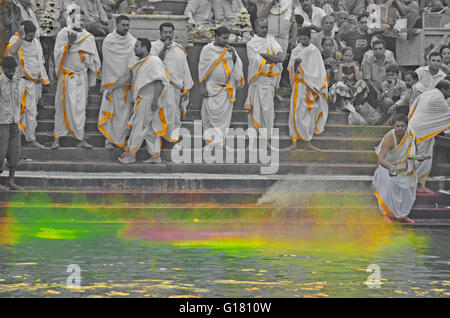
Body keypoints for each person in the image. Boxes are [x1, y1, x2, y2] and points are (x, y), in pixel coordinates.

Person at [105, 38, 169, 164]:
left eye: (137, 46)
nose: (134, 48)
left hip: (149, 100)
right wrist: (111, 89)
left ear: (145, 48)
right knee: (149, 129)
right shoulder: (138, 62)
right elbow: (125, 77)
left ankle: (130, 154)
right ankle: (156, 156)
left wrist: (155, 100)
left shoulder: (153, 61)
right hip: (143, 100)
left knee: (138, 128)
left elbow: (159, 81)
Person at [51, 7, 101, 150]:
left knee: (80, 109)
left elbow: (95, 60)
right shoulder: (64, 33)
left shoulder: (89, 37)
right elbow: (57, 55)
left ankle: (80, 138)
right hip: (67, 76)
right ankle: (57, 138)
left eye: (83, 20)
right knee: (61, 108)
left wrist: (89, 61)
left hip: (81, 78)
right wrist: (69, 44)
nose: (81, 22)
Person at [5, 21, 49, 149]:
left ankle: (30, 138)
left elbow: (39, 60)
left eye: (33, 35)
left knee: (32, 112)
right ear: (24, 33)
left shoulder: (35, 41)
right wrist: (22, 38)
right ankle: (13, 141)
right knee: (17, 111)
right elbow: (12, 51)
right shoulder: (15, 39)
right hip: (19, 82)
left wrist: (42, 79)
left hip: (33, 83)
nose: (32, 37)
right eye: (30, 35)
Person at [150, 22, 194, 151]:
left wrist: (186, 88)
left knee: (173, 116)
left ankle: (171, 140)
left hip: (174, 89)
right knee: (157, 117)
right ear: (160, 33)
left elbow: (185, 69)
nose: (168, 35)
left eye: (170, 32)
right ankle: (157, 143)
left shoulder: (179, 49)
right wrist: (164, 48)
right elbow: (155, 63)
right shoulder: (154, 47)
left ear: (173, 33)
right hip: (159, 88)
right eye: (165, 32)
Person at [199, 26, 244, 149]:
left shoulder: (230, 50)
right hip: (211, 88)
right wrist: (202, 86)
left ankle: (220, 143)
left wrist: (233, 56)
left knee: (224, 119)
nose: (226, 41)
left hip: (226, 89)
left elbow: (237, 66)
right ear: (216, 37)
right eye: (224, 38)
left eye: (227, 38)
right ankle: (210, 143)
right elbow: (202, 69)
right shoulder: (207, 50)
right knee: (209, 116)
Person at [98, 15, 137, 150]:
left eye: (127, 25)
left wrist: (126, 79)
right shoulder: (108, 40)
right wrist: (114, 83)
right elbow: (109, 62)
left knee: (124, 115)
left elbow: (132, 63)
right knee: (109, 111)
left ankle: (121, 139)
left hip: (126, 84)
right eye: (123, 25)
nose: (126, 28)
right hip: (111, 84)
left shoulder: (133, 41)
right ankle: (108, 140)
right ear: (116, 25)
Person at [288, 26, 328, 152]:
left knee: (309, 115)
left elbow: (319, 70)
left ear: (310, 38)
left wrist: (317, 85)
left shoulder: (314, 50)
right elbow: (291, 70)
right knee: (294, 112)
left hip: (311, 87)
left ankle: (307, 142)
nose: (303, 41)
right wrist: (296, 64)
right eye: (301, 38)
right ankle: (294, 142)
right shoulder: (296, 51)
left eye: (305, 38)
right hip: (298, 85)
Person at [373, 113, 417, 223]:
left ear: (406, 126)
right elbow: (381, 160)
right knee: (388, 185)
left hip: (403, 166)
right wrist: (390, 167)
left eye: (402, 126)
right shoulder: (389, 138)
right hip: (387, 166)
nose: (400, 128)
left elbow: (411, 152)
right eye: (398, 126)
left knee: (409, 187)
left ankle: (403, 215)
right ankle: (386, 215)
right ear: (394, 126)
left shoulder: (410, 133)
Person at [245, 18, 284, 139]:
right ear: (255, 28)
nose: (264, 30)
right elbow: (255, 61)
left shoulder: (271, 40)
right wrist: (271, 58)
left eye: (266, 27)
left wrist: (263, 56)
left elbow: (280, 58)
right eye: (261, 27)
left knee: (268, 112)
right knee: (254, 112)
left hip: (269, 82)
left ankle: (265, 139)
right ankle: (252, 140)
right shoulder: (251, 44)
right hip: (257, 81)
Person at [408, 80, 450, 193]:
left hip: (415, 127)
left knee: (418, 157)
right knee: (423, 158)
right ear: (444, 90)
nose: (449, 94)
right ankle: (417, 186)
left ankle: (418, 184)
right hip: (423, 131)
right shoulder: (438, 99)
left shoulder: (426, 93)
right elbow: (448, 114)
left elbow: (413, 107)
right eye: (449, 91)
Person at [0, 56, 23, 190]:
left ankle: (11, 181)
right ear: (4, 68)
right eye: (9, 69)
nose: (12, 72)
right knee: (0, 152)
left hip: (15, 121)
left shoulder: (16, 81)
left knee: (14, 151)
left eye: (13, 69)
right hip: (2, 121)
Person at [361, 38, 398, 112]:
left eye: (380, 49)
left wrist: (384, 92)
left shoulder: (390, 61)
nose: (377, 51)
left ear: (385, 50)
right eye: (375, 49)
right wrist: (377, 92)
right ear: (372, 50)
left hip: (387, 90)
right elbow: (367, 79)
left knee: (388, 102)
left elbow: (396, 77)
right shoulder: (368, 61)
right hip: (372, 91)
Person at [329, 47, 367, 111]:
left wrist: (355, 68)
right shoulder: (336, 65)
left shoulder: (356, 64)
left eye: (350, 56)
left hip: (352, 90)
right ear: (342, 56)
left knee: (363, 83)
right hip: (340, 90)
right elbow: (338, 79)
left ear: (353, 56)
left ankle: (356, 104)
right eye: (346, 55)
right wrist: (340, 67)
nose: (348, 57)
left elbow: (359, 79)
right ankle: (338, 106)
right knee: (339, 84)